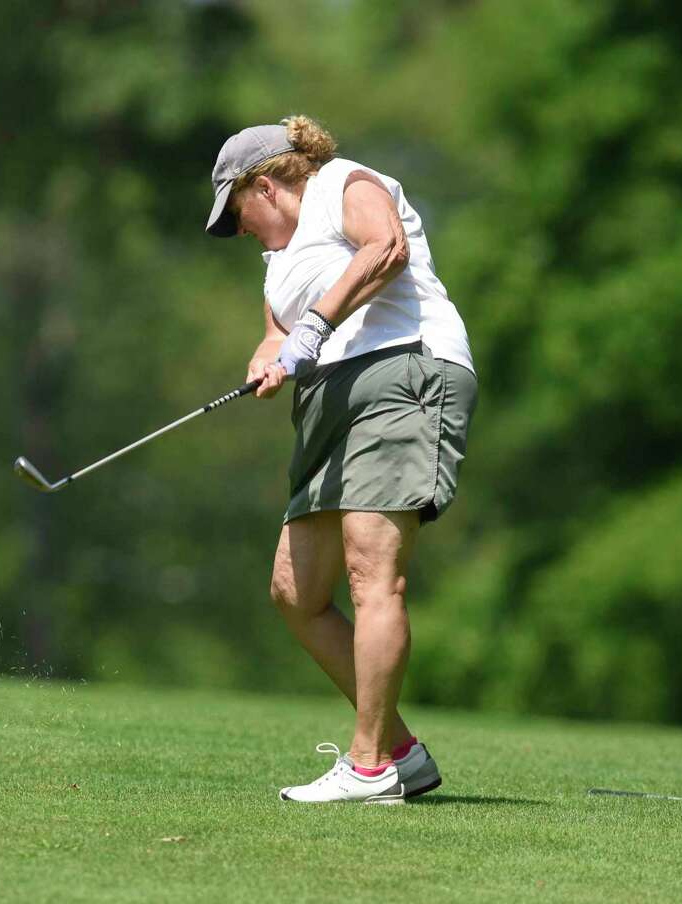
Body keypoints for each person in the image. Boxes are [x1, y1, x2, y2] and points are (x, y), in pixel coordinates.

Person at [206, 115, 477, 804]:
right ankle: (400, 753)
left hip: (401, 372)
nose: (237, 231)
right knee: (296, 591)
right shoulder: (276, 263)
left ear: (264, 186)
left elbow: (385, 248)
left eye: (235, 214)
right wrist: (269, 360)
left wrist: (317, 326)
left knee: (370, 572)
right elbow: (275, 336)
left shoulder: (342, 184)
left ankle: (367, 767)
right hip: (329, 400)